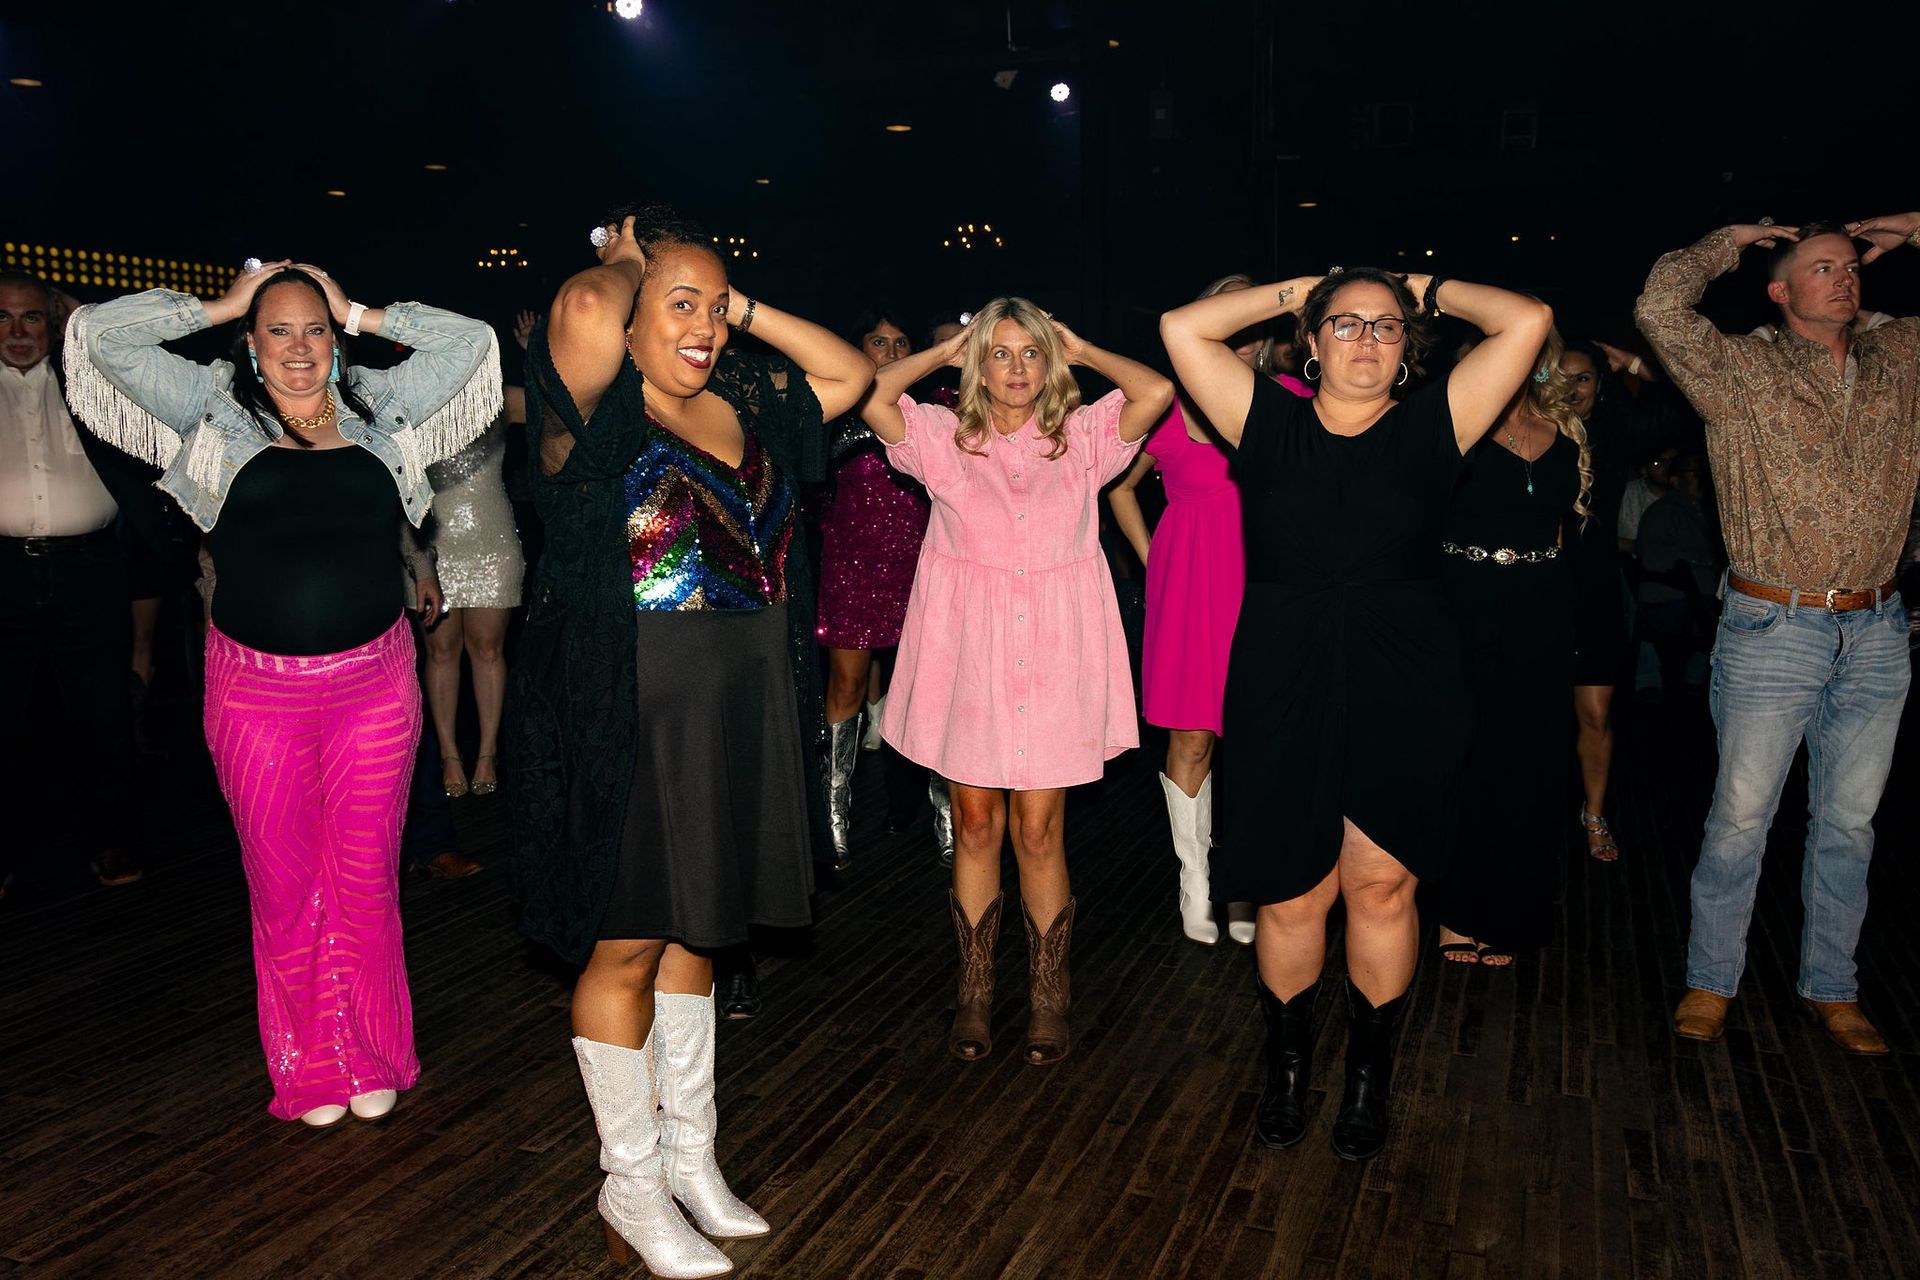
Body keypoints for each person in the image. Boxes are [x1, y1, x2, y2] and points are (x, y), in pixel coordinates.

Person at [508, 207, 871, 1275]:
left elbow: (849, 374)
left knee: (699, 933)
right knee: (626, 941)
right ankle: (630, 1183)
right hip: (633, 710)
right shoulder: (595, 411)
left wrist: (729, 304)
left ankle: (690, 1158)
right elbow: (583, 303)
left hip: (738, 700)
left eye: (718, 307)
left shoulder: (746, 402)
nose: (705, 325)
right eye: (680, 306)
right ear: (628, 317)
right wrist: (632, 261)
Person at [64, 260, 501, 1125]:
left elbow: (473, 343)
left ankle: (370, 1050)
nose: (299, 347)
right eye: (278, 330)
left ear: (334, 339)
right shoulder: (208, 406)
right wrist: (224, 302)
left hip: (375, 685)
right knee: (283, 883)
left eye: (315, 329)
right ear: (252, 343)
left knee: (365, 879)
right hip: (254, 694)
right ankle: (312, 1065)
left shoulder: (383, 404)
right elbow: (96, 336)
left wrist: (359, 309)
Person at [1163, 267, 1552, 1161]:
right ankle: (1288, 1069)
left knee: (1380, 886)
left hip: (1407, 678)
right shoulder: (1265, 421)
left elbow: (1528, 316)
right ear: (1311, 341)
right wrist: (1303, 287)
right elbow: (1184, 327)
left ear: (1409, 346)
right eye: (1345, 324)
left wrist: (1424, 286)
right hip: (1282, 674)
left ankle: (1369, 1079)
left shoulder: (1435, 423)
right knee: (1294, 890)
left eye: (1386, 326)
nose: (1367, 339)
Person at [861, 297, 1173, 1067]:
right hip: (972, 656)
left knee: (1038, 830)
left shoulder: (1084, 437)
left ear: (1050, 362)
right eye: (998, 353)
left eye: (1031, 353)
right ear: (977, 363)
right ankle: (973, 991)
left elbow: (1157, 391)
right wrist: (943, 352)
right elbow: (870, 393)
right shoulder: (944, 437)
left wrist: (1084, 348)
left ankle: (1047, 996)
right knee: (975, 824)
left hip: (1055, 657)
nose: (1016, 368)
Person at [1635, 214, 1920, 1055]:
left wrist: (1915, 227)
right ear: (1779, 290)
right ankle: (1710, 979)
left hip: (1877, 626)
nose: (1844, 276)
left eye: (1850, 265)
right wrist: (1725, 240)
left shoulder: (1901, 356)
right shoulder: (1740, 370)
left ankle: (1833, 987)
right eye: (1821, 267)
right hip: (1773, 625)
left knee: (1851, 824)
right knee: (1740, 818)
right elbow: (1659, 307)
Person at [1109, 273, 1303, 947]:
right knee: (1191, 736)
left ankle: (1244, 881)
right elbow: (1120, 488)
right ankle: (1194, 881)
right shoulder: (1162, 407)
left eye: (1249, 327)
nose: (1238, 337)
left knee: (1256, 736)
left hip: (1266, 582)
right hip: (1189, 583)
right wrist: (1152, 557)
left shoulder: (1293, 399)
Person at [1428, 330, 1589, 967]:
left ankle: (1511, 911)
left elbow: (1564, 529)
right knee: (1463, 754)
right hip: (1461, 602)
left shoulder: (1567, 431)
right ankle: (1455, 907)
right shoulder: (1451, 428)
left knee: (1531, 759)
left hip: (1540, 607)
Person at [0, 272, 146, 893]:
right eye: (3, 318)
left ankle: (108, 839)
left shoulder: (91, 384)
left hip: (90, 569)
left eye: (32, 317)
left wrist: (82, 321)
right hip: (3, 572)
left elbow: (138, 360)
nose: (17, 332)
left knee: (103, 712)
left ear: (54, 322)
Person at [1560, 339, 1686, 862]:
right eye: (1560, 376)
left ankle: (1594, 814)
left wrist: (1631, 362)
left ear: (1600, 386)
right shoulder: (1524, 431)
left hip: (1594, 592)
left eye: (1584, 377)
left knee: (1595, 714)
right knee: (1532, 716)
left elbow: (1681, 402)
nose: (1571, 388)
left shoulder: (1613, 439)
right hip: (1533, 594)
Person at [815, 308, 931, 870]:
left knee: (928, 690)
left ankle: (945, 813)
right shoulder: (835, 410)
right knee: (846, 685)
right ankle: (832, 816)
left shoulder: (933, 412)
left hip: (922, 568)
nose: (889, 352)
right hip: (851, 567)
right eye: (878, 341)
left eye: (900, 342)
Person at [418, 310, 530, 800]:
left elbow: (564, 401)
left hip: (493, 539)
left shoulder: (500, 401)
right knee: (441, 652)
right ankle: (449, 755)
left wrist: (534, 354)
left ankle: (487, 753)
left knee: (487, 649)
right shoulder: (412, 403)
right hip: (431, 541)